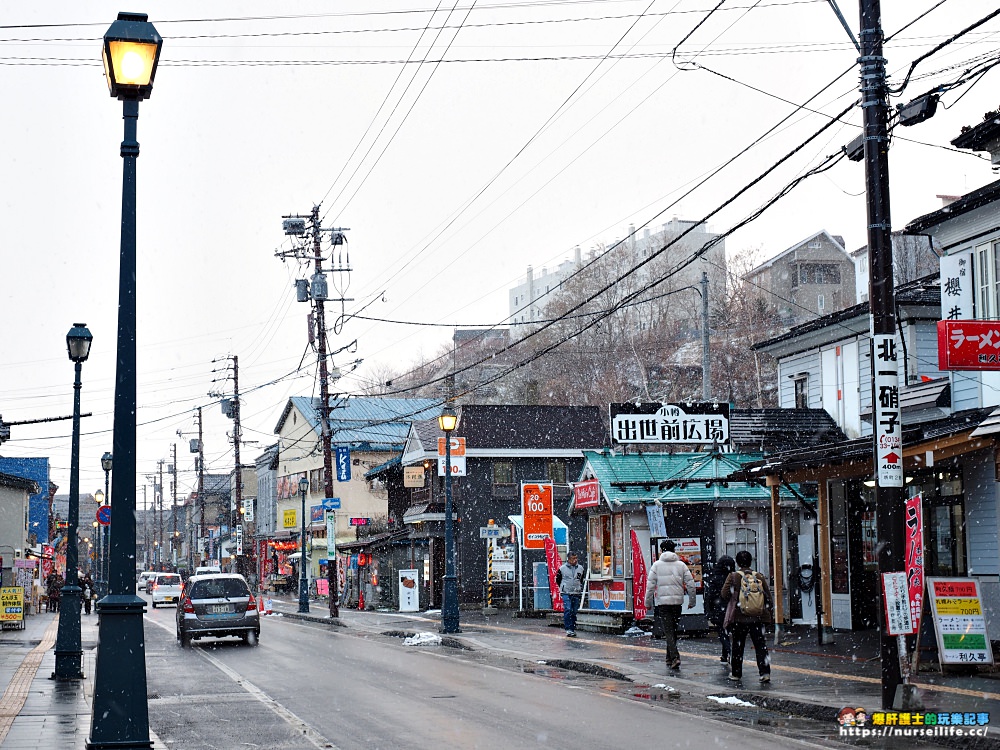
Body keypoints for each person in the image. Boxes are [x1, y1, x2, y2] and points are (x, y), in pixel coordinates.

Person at [721, 550, 773, 683]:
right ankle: (765, 673)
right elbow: (768, 596)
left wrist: (735, 597)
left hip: (740, 617)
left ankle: (736, 673)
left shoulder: (733, 576)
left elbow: (724, 594)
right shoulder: (759, 577)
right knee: (760, 645)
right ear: (751, 562)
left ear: (738, 563)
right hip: (758, 617)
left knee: (738, 645)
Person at [644, 539, 696, 670]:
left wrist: (647, 602)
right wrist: (692, 601)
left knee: (668, 631)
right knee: (672, 630)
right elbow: (690, 584)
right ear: (674, 550)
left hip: (663, 603)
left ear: (661, 550)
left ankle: (674, 657)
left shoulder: (656, 565)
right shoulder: (681, 565)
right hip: (677, 602)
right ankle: (669, 657)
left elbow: (650, 586)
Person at [704, 555, 736, 664]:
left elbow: (710, 596)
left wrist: (709, 611)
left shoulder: (715, 578)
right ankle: (725, 655)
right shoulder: (734, 577)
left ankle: (729, 652)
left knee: (723, 633)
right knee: (730, 632)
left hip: (719, 609)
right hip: (733, 608)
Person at [556, 552, 587, 637]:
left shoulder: (580, 568)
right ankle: (568, 629)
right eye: (573, 558)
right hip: (566, 592)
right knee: (568, 609)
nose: (575, 560)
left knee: (574, 611)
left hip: (576, 592)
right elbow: (558, 580)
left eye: (576, 558)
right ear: (568, 559)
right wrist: (564, 587)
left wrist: (578, 587)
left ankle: (572, 628)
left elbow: (580, 579)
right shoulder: (562, 568)